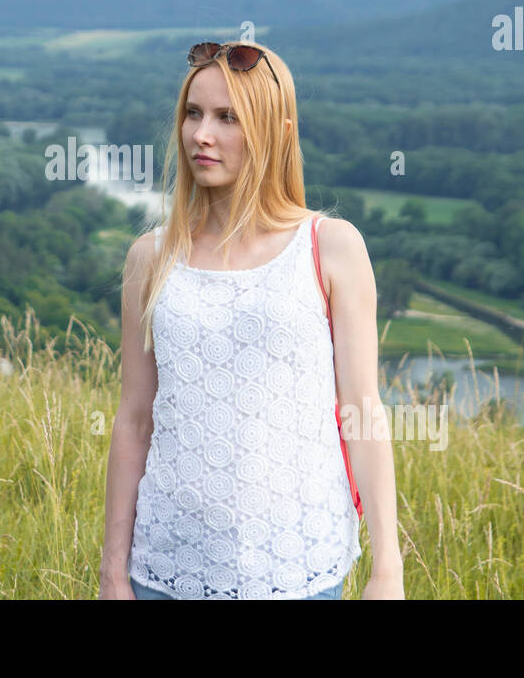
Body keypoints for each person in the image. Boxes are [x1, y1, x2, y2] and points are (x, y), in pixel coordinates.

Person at [98, 40, 405, 600]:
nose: (201, 135)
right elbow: (134, 420)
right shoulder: (150, 257)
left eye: (227, 118)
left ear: (278, 131)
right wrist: (113, 573)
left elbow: (362, 410)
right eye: (193, 113)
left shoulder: (330, 247)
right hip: (165, 567)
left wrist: (388, 569)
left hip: (297, 567)